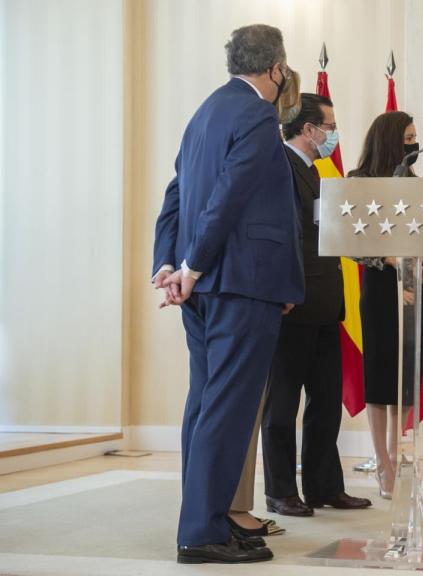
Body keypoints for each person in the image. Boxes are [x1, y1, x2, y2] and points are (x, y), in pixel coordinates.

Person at [152, 24, 303, 564]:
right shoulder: (257, 114)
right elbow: (229, 198)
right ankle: (201, 534)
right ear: (276, 69)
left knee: (205, 404)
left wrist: (170, 263)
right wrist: (190, 266)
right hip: (241, 283)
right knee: (227, 410)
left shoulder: (204, 113)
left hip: (205, 286)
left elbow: (176, 195)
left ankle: (209, 519)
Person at [259, 93, 373, 517]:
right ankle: (281, 491)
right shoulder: (279, 166)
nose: (333, 134)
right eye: (330, 127)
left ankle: (324, 487)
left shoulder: (315, 170)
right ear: (308, 129)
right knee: (282, 406)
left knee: (325, 403)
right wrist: (282, 290)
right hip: (292, 305)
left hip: (326, 304)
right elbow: (280, 236)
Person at [224, 68, 305, 542]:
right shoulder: (255, 130)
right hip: (246, 285)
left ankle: (232, 508)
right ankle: (231, 510)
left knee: (245, 407)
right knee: (242, 408)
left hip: (257, 285)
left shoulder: (250, 131)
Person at [349, 111, 423, 498]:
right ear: (389, 139)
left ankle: (399, 454)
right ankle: (381, 460)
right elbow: (350, 242)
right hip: (381, 286)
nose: (414, 144)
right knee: (381, 373)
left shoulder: (416, 184)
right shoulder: (359, 182)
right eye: (408, 138)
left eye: (415, 137)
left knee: (407, 372)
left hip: (415, 284)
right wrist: (388, 259)